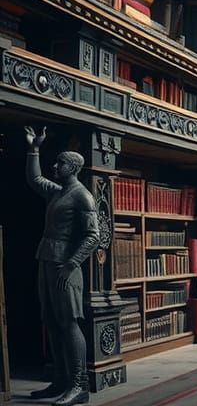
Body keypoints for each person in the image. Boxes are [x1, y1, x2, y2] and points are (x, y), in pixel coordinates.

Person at [24, 126, 100, 406]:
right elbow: (35, 179)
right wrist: (34, 149)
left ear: (74, 168)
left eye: (61, 163)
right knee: (52, 322)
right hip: (47, 259)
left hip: (65, 267)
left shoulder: (82, 195)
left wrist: (72, 263)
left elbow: (94, 236)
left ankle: (79, 386)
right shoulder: (58, 192)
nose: (55, 166)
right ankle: (61, 379)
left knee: (68, 323)